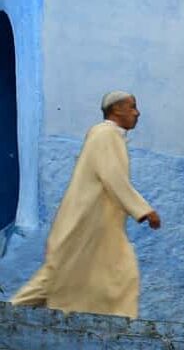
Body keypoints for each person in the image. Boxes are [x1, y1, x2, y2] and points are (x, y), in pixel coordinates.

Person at [10, 91, 162, 319]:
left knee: (74, 274)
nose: (137, 113)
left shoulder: (109, 136)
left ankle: (120, 320)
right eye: (132, 107)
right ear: (116, 109)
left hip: (98, 225)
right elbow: (113, 176)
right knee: (64, 274)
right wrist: (144, 210)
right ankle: (9, 314)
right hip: (85, 223)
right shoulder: (105, 134)